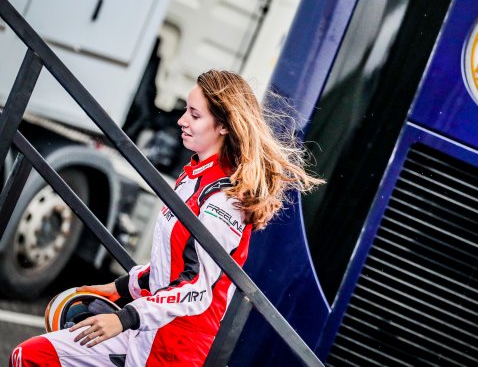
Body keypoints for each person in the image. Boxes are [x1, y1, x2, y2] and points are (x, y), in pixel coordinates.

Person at [10, 70, 321, 366]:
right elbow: (170, 265)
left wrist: (124, 318)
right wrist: (119, 288)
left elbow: (196, 288)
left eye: (195, 115)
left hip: (174, 349)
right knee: (29, 356)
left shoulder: (225, 199)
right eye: (186, 110)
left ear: (224, 126)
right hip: (144, 330)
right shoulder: (193, 175)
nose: (182, 120)